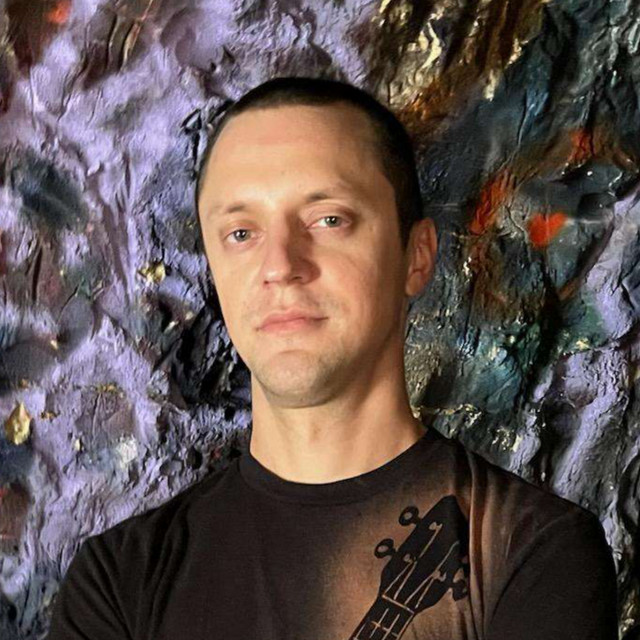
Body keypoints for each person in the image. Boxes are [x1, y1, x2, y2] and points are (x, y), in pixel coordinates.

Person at [47, 76, 619, 640]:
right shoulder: (118, 580)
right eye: (241, 233)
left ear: (417, 257)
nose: (280, 265)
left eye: (329, 220)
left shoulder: (525, 549)